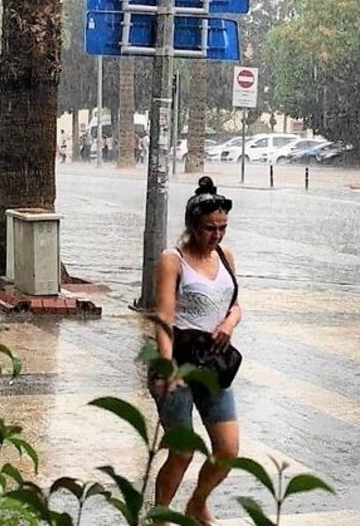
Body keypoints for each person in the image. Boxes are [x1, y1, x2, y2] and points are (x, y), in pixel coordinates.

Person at [151, 176, 240, 525]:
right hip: (179, 361)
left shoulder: (226, 256)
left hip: (215, 364)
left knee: (228, 450)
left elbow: (235, 304)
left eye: (222, 228)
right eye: (209, 228)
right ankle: (160, 515)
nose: (216, 235)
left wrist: (228, 324)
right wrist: (167, 367)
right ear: (192, 225)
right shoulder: (173, 260)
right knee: (183, 450)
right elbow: (163, 317)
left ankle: (197, 502)